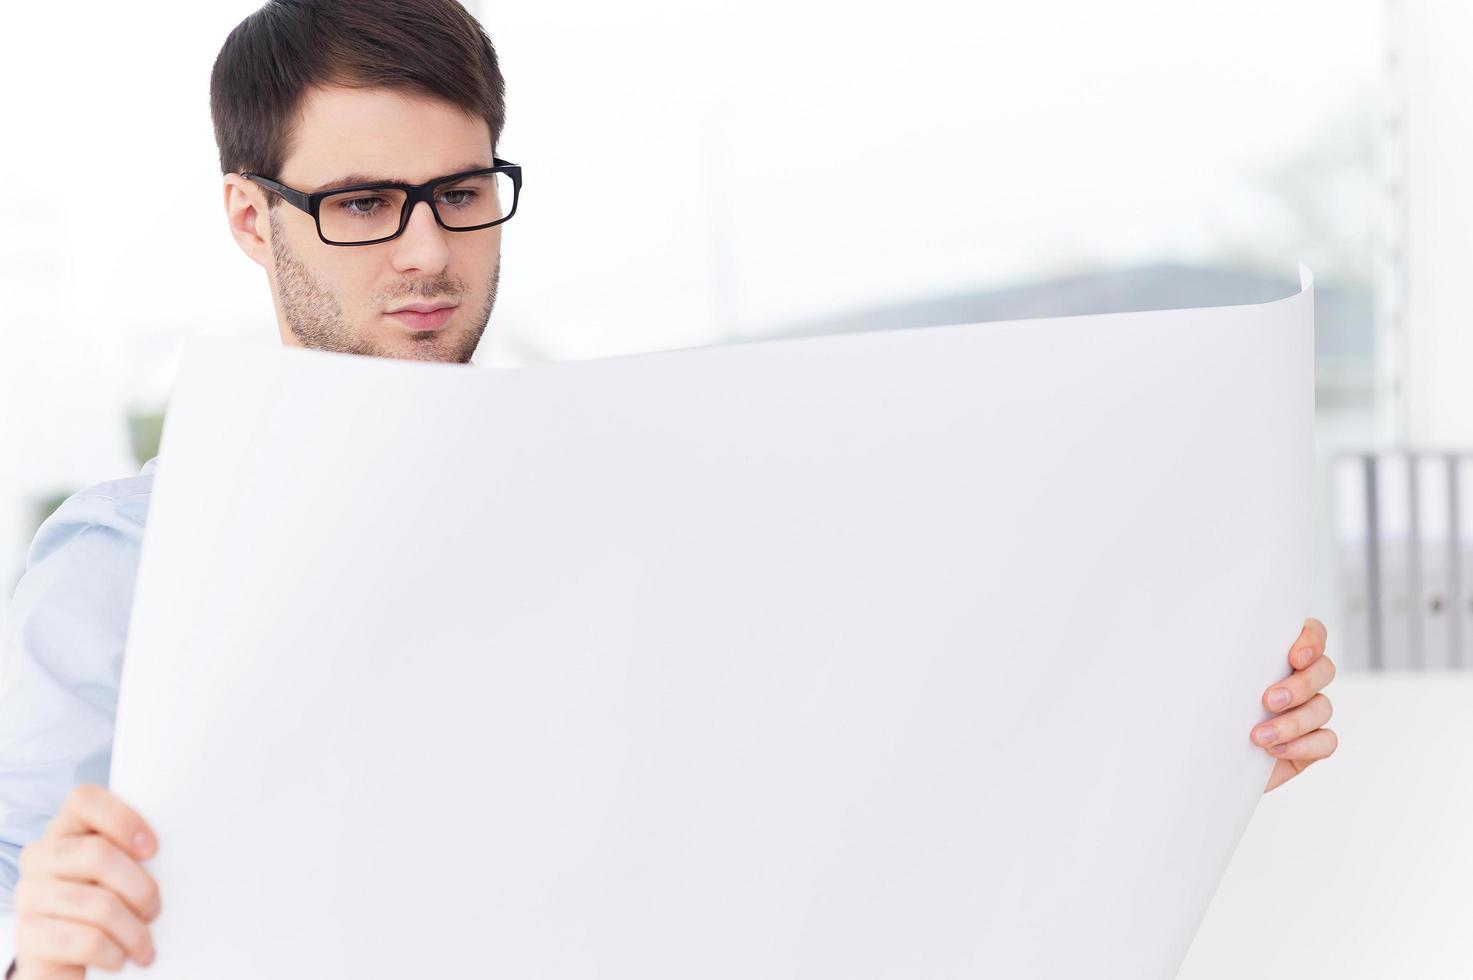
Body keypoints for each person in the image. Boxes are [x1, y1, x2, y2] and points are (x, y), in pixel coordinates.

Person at [0, 0, 1338, 975]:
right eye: (360, 202)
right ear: (253, 218)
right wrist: (38, 939)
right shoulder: (120, 567)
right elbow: (32, 922)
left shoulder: (640, 502)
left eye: (460, 192)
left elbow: (871, 777)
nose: (425, 251)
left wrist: (1185, 733)